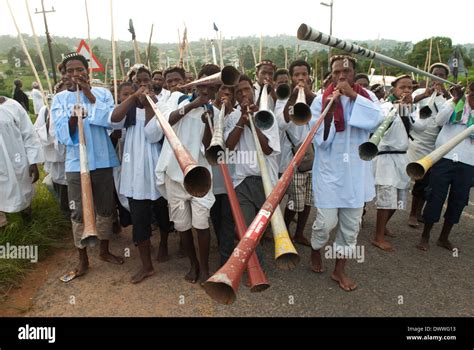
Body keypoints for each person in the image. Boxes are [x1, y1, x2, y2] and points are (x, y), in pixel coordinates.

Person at [309, 55, 383, 291]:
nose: (341, 77)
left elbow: (377, 120)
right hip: (329, 172)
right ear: (330, 75)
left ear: (354, 74)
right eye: (336, 73)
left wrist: (352, 96)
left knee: (351, 227)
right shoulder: (320, 101)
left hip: (355, 174)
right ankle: (316, 248)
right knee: (325, 223)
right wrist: (330, 109)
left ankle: (339, 270)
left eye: (346, 72)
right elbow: (318, 139)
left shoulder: (367, 97)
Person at [52, 53, 124, 282]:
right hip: (76, 164)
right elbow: (63, 135)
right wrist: (73, 119)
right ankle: (82, 258)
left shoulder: (102, 93)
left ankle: (103, 250)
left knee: (105, 207)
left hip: (102, 160)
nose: (75, 74)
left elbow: (111, 120)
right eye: (70, 70)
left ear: (87, 70)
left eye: (79, 69)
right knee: (78, 210)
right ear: (65, 74)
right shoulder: (59, 99)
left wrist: (88, 94)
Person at [155, 64, 219, 284]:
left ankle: (204, 268)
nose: (207, 89)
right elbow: (165, 123)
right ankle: (192, 265)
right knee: (182, 225)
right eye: (205, 83)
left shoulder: (214, 111)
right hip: (175, 174)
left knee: (201, 224)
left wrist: (209, 122)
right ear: (197, 81)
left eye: (213, 86)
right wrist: (193, 105)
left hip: (200, 175)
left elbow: (210, 146)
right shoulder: (176, 99)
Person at [110, 65, 165, 283]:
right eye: (138, 82)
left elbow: (152, 136)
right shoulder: (129, 107)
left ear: (152, 83)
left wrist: (150, 103)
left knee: (162, 212)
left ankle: (163, 244)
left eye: (146, 81)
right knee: (139, 218)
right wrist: (134, 97)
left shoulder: (160, 105)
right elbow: (114, 119)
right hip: (134, 174)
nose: (143, 85)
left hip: (156, 169)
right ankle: (147, 265)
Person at [225, 74, 281, 265]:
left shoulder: (267, 115)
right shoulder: (232, 117)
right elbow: (229, 146)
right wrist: (241, 120)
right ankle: (257, 268)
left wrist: (252, 123)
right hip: (242, 181)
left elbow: (267, 148)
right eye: (238, 92)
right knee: (247, 229)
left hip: (266, 181)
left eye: (246, 89)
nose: (243, 94)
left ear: (253, 90)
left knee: (262, 227)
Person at [372, 75, 427, 252]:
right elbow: (380, 127)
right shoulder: (385, 107)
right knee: (386, 197)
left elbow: (420, 128)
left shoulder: (412, 109)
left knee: (398, 198)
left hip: (402, 157)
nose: (406, 90)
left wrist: (409, 110)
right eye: (402, 87)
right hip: (386, 157)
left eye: (409, 87)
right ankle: (378, 237)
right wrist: (396, 109)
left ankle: (383, 226)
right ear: (393, 89)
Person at [416, 83, 474, 252]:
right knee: (435, 196)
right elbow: (440, 120)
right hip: (444, 157)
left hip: (469, 162)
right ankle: (425, 236)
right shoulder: (453, 103)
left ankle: (443, 238)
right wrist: (456, 100)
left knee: (458, 200)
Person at [279, 60, 317, 246]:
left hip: (313, 158)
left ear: (309, 76)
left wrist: (309, 95)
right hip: (294, 158)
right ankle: (284, 233)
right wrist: (294, 99)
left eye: (304, 74)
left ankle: (299, 233)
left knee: (309, 200)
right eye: (297, 75)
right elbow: (283, 123)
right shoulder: (284, 99)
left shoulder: (315, 98)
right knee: (295, 200)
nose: (301, 78)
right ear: (291, 78)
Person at [407, 63, 450, 227]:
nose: (437, 77)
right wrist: (426, 94)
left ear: (446, 78)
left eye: (441, 75)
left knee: (427, 180)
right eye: (434, 74)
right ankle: (409, 212)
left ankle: (418, 212)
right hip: (417, 140)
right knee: (413, 176)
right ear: (429, 76)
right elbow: (409, 105)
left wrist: (445, 93)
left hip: (436, 142)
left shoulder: (449, 97)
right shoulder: (419, 92)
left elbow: (451, 112)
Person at [0, 96, 44, 221]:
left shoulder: (12, 106)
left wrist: (33, 161)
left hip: (17, 160)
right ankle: (4, 229)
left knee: (23, 192)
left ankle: (27, 220)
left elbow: (29, 134)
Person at [209, 85, 237, 266]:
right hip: (213, 176)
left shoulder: (237, 115)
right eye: (222, 93)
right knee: (215, 216)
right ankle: (222, 245)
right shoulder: (210, 113)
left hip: (231, 177)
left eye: (229, 94)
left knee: (228, 218)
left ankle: (225, 260)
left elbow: (231, 143)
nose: (225, 97)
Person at [33, 82, 69, 216]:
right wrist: (48, 126)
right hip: (57, 161)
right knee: (62, 190)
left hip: (76, 159)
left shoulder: (77, 106)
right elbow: (37, 132)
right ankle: (68, 218)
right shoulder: (46, 110)